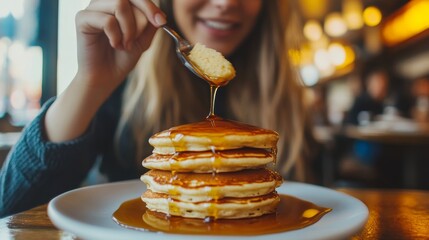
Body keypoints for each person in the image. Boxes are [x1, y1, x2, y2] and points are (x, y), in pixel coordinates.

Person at [0, 0, 312, 217]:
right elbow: (10, 209)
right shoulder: (120, 89)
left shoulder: (289, 101)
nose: (225, 2)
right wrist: (90, 83)